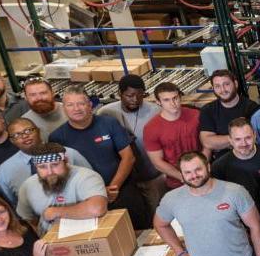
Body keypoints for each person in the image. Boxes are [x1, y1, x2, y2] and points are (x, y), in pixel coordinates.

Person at [51, 86, 145, 224]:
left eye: (81, 104)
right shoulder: (57, 137)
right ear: (63, 108)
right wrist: (98, 193)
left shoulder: (108, 123)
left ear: (90, 105)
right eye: (70, 105)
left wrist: (114, 187)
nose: (76, 109)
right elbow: (62, 172)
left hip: (122, 189)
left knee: (140, 228)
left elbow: (128, 157)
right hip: (86, 198)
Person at [100, 73, 167, 210]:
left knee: (158, 211)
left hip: (153, 177)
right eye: (129, 96)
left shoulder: (156, 111)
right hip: (127, 181)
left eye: (140, 95)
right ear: (120, 93)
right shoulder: (106, 113)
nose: (135, 100)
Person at [15, 144, 108, 233]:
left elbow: (97, 208)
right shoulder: (27, 186)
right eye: (42, 167)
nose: (50, 172)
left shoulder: (86, 176)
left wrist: (56, 212)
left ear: (66, 161)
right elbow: (27, 221)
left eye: (55, 165)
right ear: (36, 167)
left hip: (90, 234)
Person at [0, 120, 90, 204]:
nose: (24, 136)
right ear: (12, 141)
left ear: (38, 131)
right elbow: (13, 202)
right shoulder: (5, 170)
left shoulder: (69, 153)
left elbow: (90, 179)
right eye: (17, 135)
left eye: (28, 130)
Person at [212, 118, 260, 203]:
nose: (244, 144)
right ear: (230, 140)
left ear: (255, 135)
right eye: (238, 139)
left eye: (248, 138)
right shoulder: (219, 167)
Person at [144, 82, 203, 189]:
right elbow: (157, 162)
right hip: (176, 183)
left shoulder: (196, 116)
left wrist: (203, 169)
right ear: (158, 102)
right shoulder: (151, 128)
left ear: (180, 97)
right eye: (166, 100)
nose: (173, 103)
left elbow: (207, 143)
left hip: (203, 175)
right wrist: (183, 177)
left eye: (175, 98)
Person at [197, 68, 260, 153]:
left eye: (226, 84)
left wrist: (219, 142)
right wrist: (238, 138)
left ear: (235, 84)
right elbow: (207, 142)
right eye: (217, 86)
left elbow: (255, 139)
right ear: (213, 88)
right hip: (221, 161)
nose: (223, 90)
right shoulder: (208, 110)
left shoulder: (252, 108)